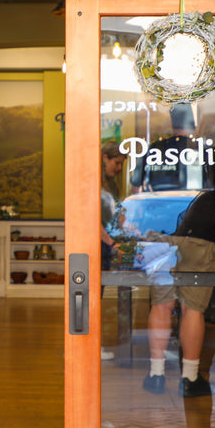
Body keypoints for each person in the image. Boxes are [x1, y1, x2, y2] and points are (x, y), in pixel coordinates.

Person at [141, 103, 215, 397]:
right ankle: (190, 377)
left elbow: (137, 193)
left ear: (170, 124)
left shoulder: (153, 152)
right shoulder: (208, 152)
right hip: (199, 238)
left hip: (160, 236)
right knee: (192, 308)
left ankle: (156, 374)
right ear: (195, 125)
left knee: (161, 304)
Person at [100, 140, 127, 361]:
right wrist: (111, 243)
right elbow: (94, 221)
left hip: (106, 243)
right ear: (104, 158)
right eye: (116, 163)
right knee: (93, 296)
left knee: (97, 296)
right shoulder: (95, 184)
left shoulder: (111, 184)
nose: (118, 168)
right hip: (98, 245)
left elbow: (118, 215)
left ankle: (92, 346)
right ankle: (89, 347)